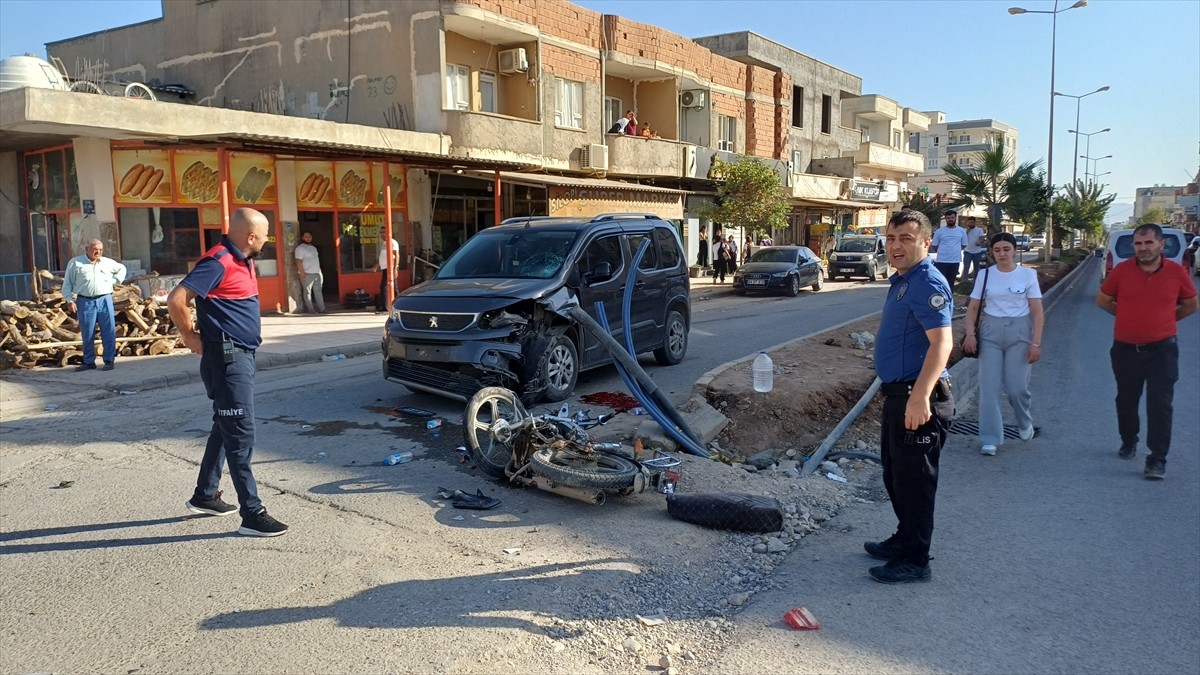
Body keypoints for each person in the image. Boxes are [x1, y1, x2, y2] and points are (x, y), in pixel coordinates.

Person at [167, 207, 288, 537]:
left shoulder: (242, 259)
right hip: (227, 359)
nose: (266, 240)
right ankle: (252, 513)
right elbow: (177, 298)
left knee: (225, 425)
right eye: (264, 235)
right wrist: (189, 334)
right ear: (251, 236)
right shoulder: (218, 260)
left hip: (240, 355)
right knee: (239, 433)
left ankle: (205, 495)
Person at [865, 209, 954, 584]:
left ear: (926, 242)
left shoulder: (926, 282)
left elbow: (942, 343)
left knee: (915, 482)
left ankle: (916, 560)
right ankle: (905, 538)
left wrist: (920, 397)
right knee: (896, 476)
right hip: (900, 395)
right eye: (891, 238)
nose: (896, 246)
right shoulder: (905, 279)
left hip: (919, 397)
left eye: (906, 238)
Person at [1095, 223, 1198, 480]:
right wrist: (1126, 316)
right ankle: (1129, 440)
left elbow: (1190, 305)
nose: (1143, 248)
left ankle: (1157, 459)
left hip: (1163, 349)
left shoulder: (1175, 272)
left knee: (1160, 404)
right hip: (1125, 350)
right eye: (1138, 244)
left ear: (1161, 244)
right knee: (1126, 400)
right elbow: (1103, 300)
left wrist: (1166, 321)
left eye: (1149, 242)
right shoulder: (1122, 271)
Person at [962, 233, 1044, 455]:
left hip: (1020, 332)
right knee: (989, 388)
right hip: (991, 332)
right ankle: (990, 438)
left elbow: (1037, 311)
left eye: (1006, 249)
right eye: (997, 250)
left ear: (1015, 250)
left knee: (1016, 388)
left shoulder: (1027, 275)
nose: (1002, 254)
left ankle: (1024, 421)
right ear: (992, 252)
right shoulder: (985, 275)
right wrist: (970, 334)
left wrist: (1036, 343)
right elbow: (973, 308)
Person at [62, 239, 127, 372]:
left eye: (101, 250)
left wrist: (115, 280)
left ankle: (109, 360)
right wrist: (70, 300)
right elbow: (67, 284)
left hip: (105, 299)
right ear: (87, 249)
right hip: (85, 301)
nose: (98, 252)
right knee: (87, 332)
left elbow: (122, 268)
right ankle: (89, 362)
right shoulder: (75, 263)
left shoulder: (107, 262)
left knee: (108, 330)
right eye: (95, 249)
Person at [930, 210, 969, 289]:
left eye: (952, 217)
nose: (950, 219)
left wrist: (955, 250)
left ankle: (950, 296)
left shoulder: (961, 231)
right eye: (948, 218)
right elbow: (934, 245)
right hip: (941, 261)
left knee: (951, 282)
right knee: (941, 282)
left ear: (955, 218)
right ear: (945, 219)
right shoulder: (939, 231)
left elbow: (964, 244)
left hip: (955, 261)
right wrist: (943, 251)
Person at [293, 231, 326, 314]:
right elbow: (298, 261)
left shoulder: (313, 248)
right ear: (302, 238)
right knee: (307, 292)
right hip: (307, 273)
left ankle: (322, 309)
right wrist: (302, 273)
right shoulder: (300, 248)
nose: (308, 238)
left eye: (309, 236)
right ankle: (310, 309)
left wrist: (320, 271)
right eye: (306, 236)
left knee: (318, 291)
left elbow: (316, 260)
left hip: (317, 273)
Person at [373, 235, 400, 312]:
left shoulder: (392, 242)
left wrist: (395, 268)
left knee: (384, 287)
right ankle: (397, 305)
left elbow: (397, 255)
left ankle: (386, 308)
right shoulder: (384, 243)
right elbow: (383, 256)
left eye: (384, 232)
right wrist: (376, 265)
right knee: (393, 287)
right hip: (385, 268)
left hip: (390, 268)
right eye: (381, 233)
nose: (382, 234)